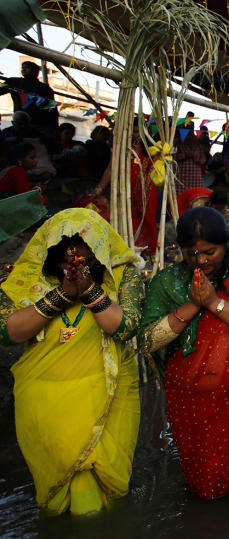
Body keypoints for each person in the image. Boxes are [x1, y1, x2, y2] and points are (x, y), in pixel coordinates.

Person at [0, 208, 143, 515]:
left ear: (100, 252)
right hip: (46, 400)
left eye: (86, 260)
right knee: (59, 495)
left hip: (109, 393)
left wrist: (90, 290)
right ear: (50, 254)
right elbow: (9, 332)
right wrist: (62, 294)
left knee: (100, 494)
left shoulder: (122, 273)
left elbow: (126, 325)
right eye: (67, 261)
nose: (76, 265)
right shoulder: (25, 280)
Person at [139, 207, 229, 506]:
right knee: (201, 481)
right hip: (188, 400)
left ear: (226, 244)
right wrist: (191, 305)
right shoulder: (167, 281)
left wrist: (213, 302)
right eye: (190, 254)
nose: (200, 261)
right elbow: (147, 340)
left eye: (209, 252)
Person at [0, 60, 58, 134]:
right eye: (22, 68)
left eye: (27, 67)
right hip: (19, 124)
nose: (23, 69)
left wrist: (53, 128)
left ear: (36, 72)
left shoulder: (44, 89)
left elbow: (53, 111)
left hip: (38, 126)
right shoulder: (14, 82)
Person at [173, 123, 207, 193]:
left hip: (194, 176)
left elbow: (203, 160)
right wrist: (184, 155)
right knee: (179, 196)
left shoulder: (197, 144)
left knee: (193, 196)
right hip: (180, 174)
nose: (189, 133)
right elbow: (171, 157)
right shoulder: (177, 142)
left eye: (190, 130)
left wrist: (195, 156)